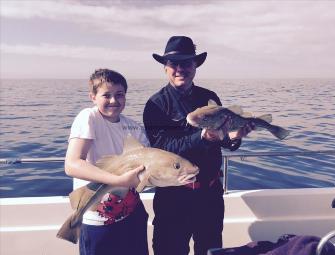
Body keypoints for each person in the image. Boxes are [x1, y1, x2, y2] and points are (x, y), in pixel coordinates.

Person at [143, 36, 255, 255]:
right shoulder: (155, 104)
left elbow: (227, 143)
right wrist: (202, 137)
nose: (180, 69)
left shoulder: (209, 97)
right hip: (172, 197)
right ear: (165, 68)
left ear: (195, 66)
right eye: (174, 64)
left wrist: (234, 136)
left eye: (186, 63)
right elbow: (161, 149)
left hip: (210, 196)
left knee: (210, 250)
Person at [65, 68, 150, 255]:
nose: (114, 100)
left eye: (119, 95)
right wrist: (119, 181)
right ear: (93, 97)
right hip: (98, 219)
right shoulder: (89, 117)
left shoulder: (133, 127)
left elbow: (146, 167)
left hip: (132, 214)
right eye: (107, 95)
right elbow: (72, 164)